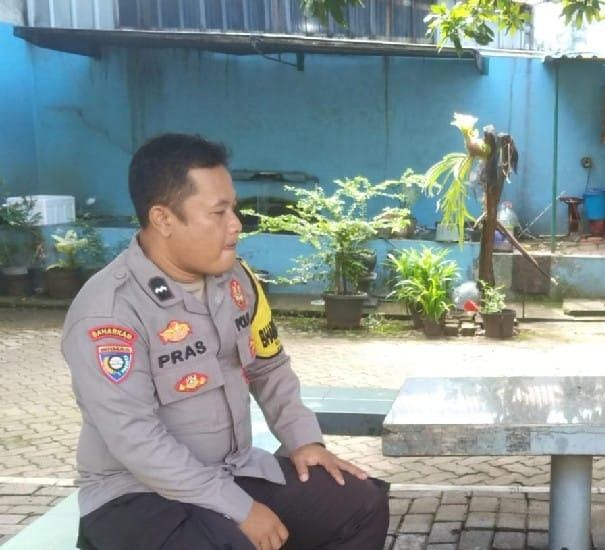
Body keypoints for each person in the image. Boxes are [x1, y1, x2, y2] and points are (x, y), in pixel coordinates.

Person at [62, 134, 390, 550]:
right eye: (218, 213)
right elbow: (135, 438)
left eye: (233, 209)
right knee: (234, 542)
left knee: (360, 504)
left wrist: (303, 440)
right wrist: (240, 508)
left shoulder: (236, 281)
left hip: (231, 469)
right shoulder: (109, 312)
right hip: (136, 495)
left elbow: (269, 365)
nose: (235, 224)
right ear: (163, 219)